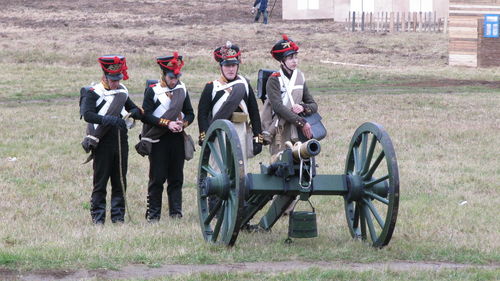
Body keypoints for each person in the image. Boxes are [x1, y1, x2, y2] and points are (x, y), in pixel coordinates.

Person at [80, 55, 142, 224]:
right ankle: (98, 218)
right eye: (113, 80)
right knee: (100, 182)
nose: (116, 83)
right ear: (105, 77)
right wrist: (108, 120)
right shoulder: (92, 93)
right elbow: (87, 115)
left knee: (120, 180)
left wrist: (136, 112)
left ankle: (118, 217)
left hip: (120, 140)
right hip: (102, 141)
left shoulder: (122, 91)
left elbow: (132, 108)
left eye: (118, 79)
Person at [137, 52, 194, 221]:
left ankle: (176, 213)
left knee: (176, 177)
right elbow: (145, 116)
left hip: (176, 138)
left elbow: (190, 113)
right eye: (171, 77)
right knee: (157, 178)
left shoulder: (181, 89)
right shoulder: (153, 91)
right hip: (158, 139)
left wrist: (182, 124)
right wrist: (166, 123)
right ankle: (153, 215)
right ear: (163, 74)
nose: (174, 80)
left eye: (177, 76)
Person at [198, 41, 263, 166]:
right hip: (219, 133)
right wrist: (205, 135)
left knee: (240, 169)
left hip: (241, 131)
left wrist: (257, 138)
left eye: (234, 65)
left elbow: (254, 113)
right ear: (221, 66)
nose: (231, 69)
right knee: (219, 169)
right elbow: (202, 114)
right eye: (227, 65)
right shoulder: (212, 87)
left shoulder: (244, 85)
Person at [262, 34, 318, 155]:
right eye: (290, 58)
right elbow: (278, 107)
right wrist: (302, 122)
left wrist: (303, 107)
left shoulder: (300, 76)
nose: (294, 61)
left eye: (295, 57)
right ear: (282, 61)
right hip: (280, 129)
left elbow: (313, 105)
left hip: (298, 130)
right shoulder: (274, 79)